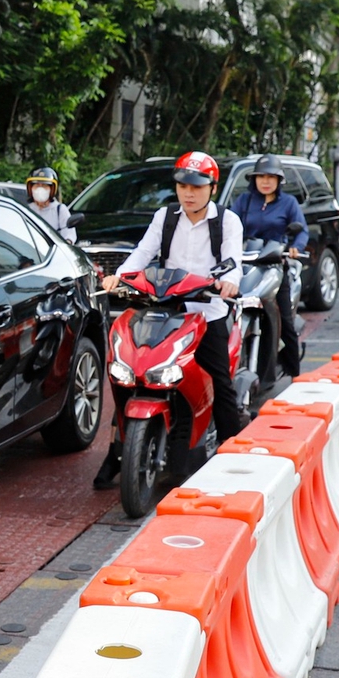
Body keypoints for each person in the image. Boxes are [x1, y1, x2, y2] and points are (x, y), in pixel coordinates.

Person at [94, 151, 245, 487]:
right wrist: (119, 276)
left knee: (221, 384)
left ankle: (234, 455)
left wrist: (230, 280)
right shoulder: (166, 217)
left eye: (196, 186)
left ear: (212, 188)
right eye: (182, 186)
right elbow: (143, 253)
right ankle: (117, 453)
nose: (188, 193)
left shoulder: (228, 222)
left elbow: (233, 260)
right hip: (167, 309)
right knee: (127, 374)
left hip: (208, 312)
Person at [226, 155, 306, 378]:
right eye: (261, 176)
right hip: (245, 264)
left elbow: (302, 231)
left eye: (271, 177)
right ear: (254, 179)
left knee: (286, 323)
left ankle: (294, 373)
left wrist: (295, 247)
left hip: (274, 267)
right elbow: (229, 226)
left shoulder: (289, 203)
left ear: (279, 180)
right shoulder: (244, 200)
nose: (266, 181)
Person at [24, 167, 76, 241]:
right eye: (37, 185)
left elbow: (69, 236)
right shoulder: (26, 210)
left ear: (52, 189)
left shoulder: (60, 210)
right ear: (30, 188)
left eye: (44, 186)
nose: (40, 189)